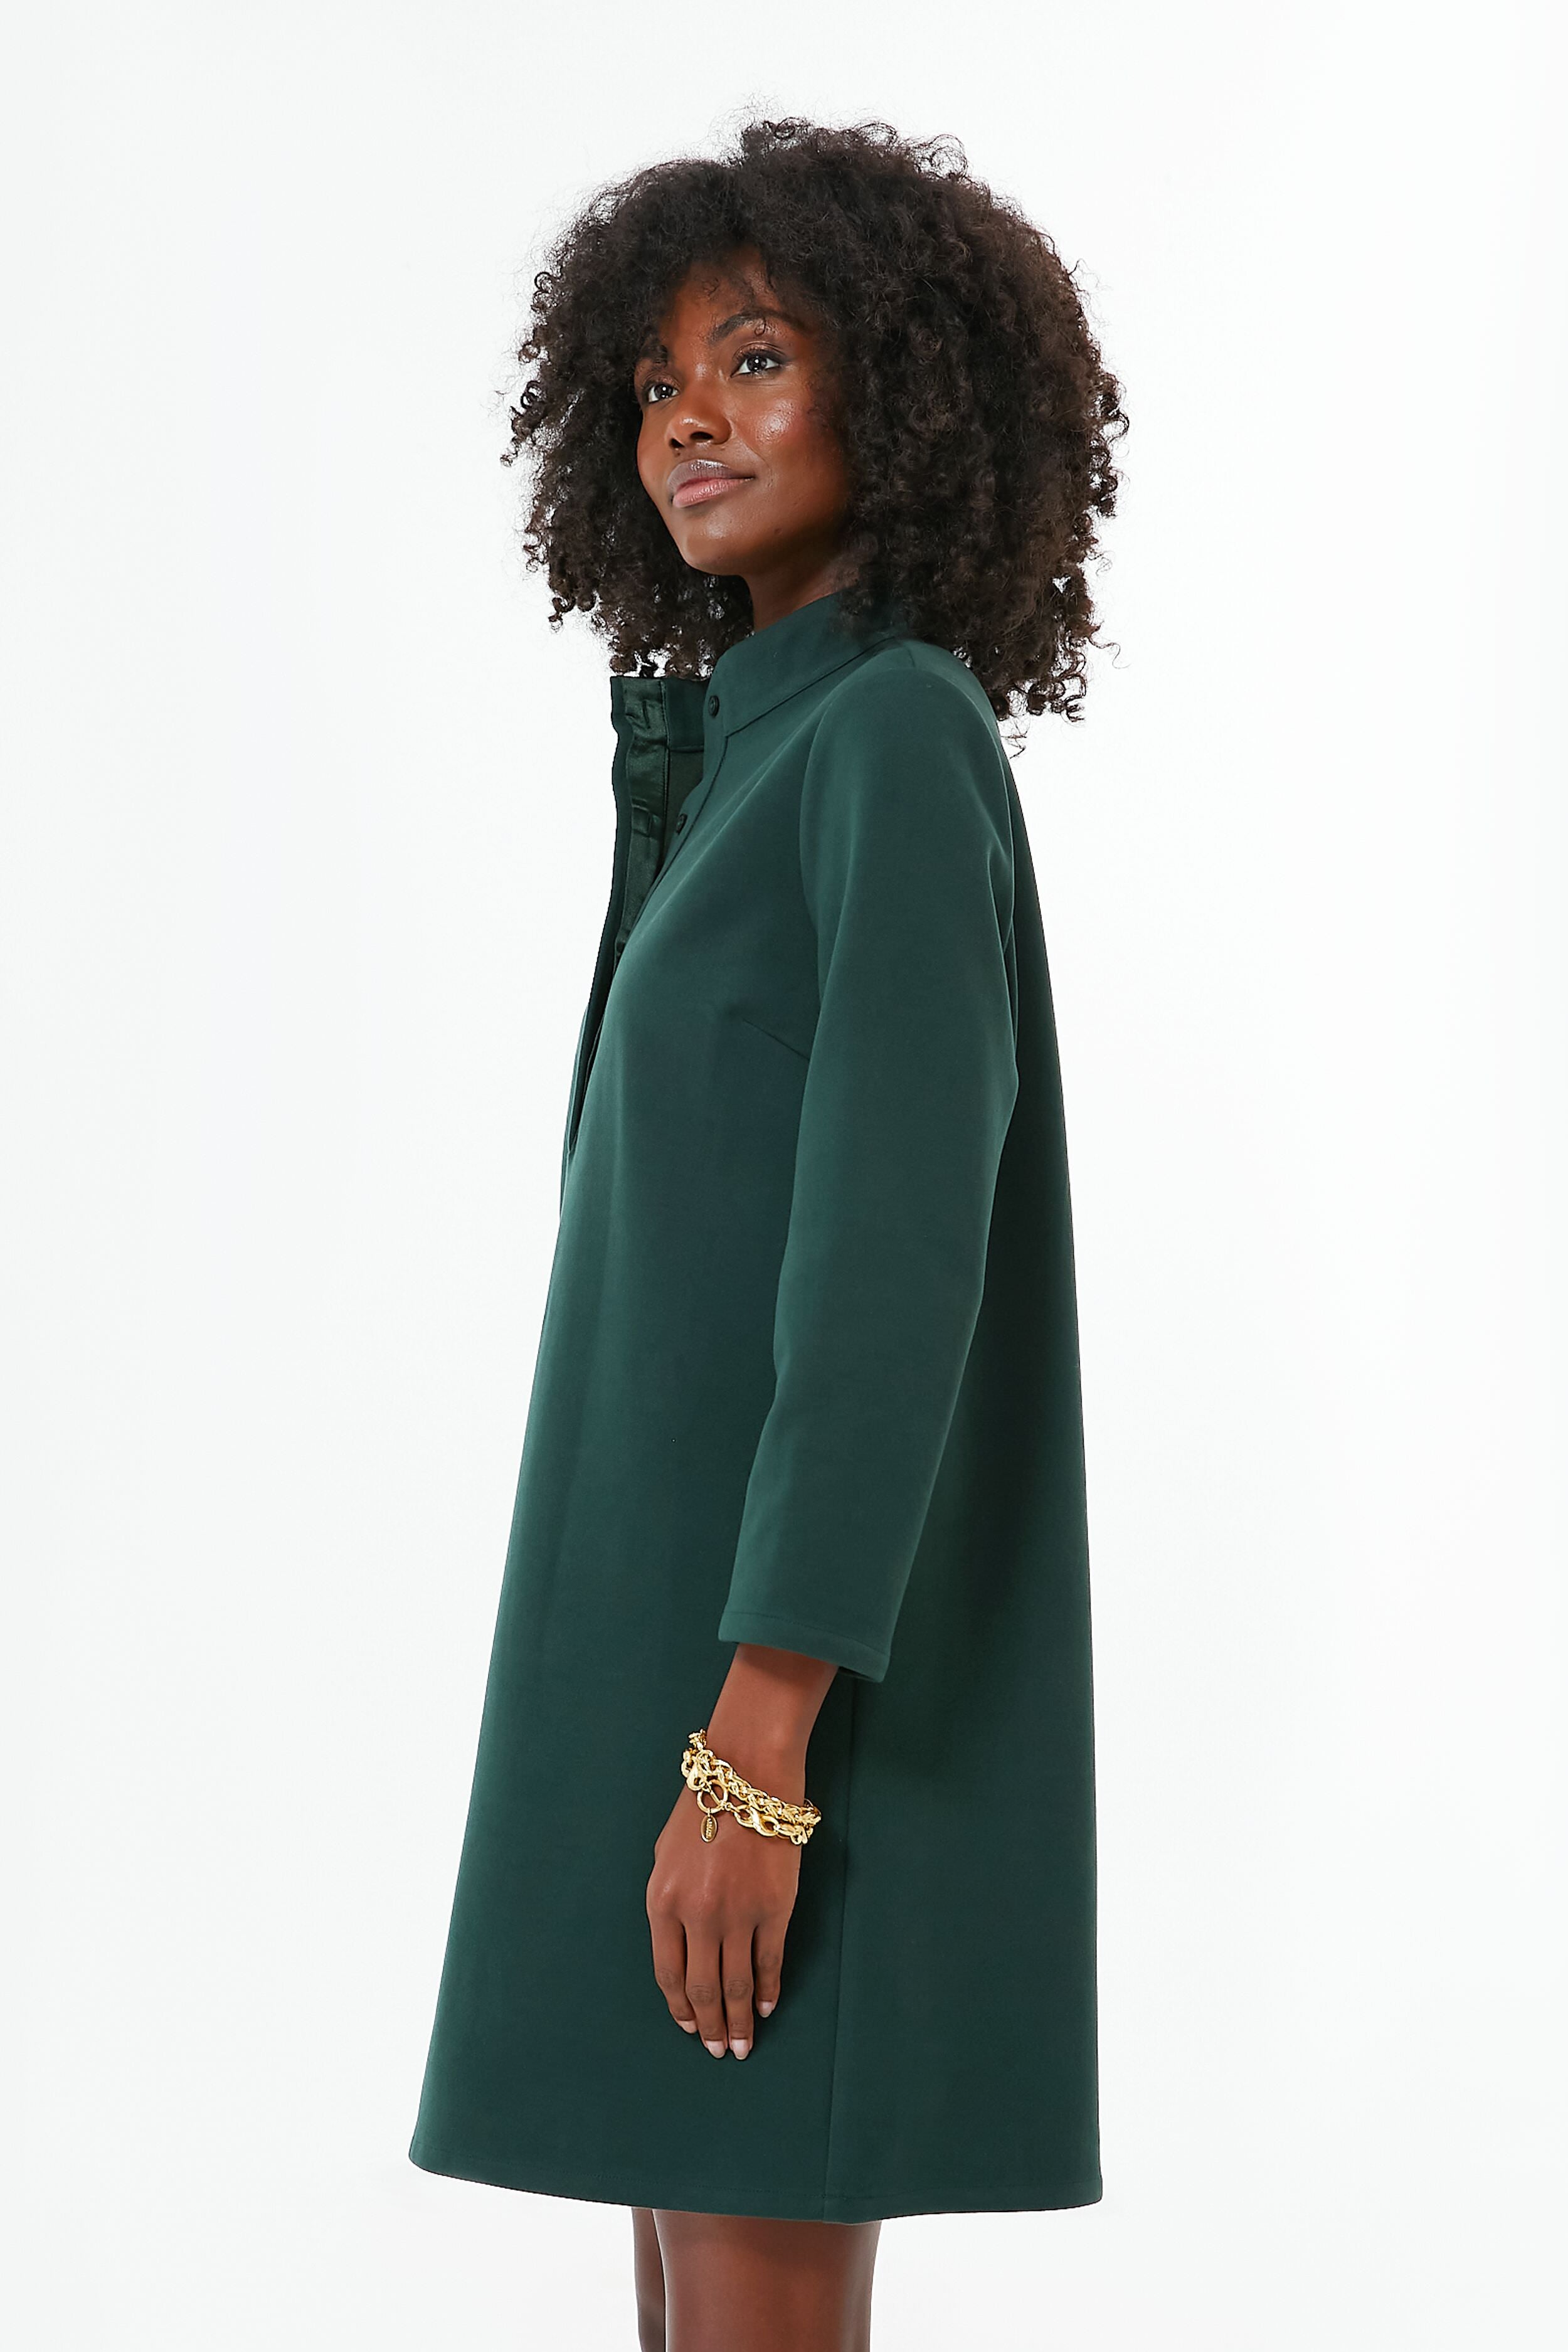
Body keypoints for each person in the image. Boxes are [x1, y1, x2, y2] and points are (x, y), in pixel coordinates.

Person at [410, 113, 1127, 2351]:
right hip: (665, 1662)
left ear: (895, 395)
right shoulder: (749, 752)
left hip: (775, 1703)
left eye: (753, 358)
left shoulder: (891, 740)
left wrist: (758, 1747)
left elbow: (893, 1276)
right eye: (653, 381)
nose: (687, 420)